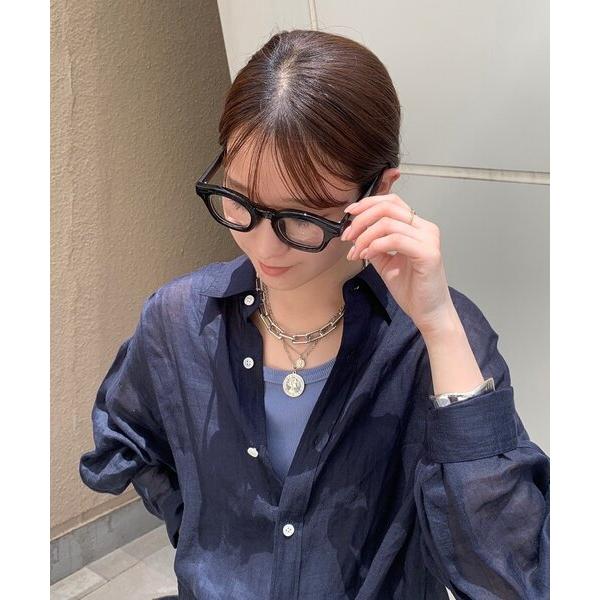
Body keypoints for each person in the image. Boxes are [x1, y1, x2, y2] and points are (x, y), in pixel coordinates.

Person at [79, 29, 549, 599]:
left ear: (379, 191)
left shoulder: (438, 341)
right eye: (240, 199)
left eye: (301, 217)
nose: (263, 245)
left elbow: (509, 576)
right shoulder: (178, 318)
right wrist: (206, 538)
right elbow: (131, 438)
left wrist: (441, 328)